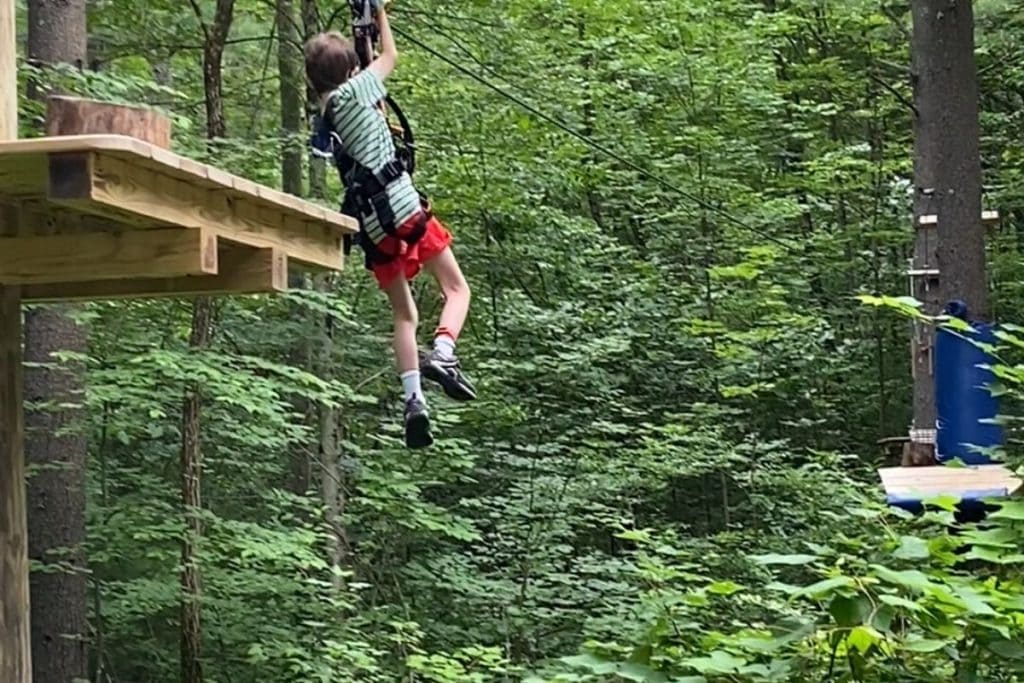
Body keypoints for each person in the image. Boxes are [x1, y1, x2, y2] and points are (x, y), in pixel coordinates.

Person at [305, 2, 476, 449]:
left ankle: (414, 400)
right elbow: (390, 58)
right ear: (348, 72)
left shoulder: (326, 113)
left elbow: (362, 75)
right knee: (457, 290)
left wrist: (359, 44)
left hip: (373, 228)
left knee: (404, 315)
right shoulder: (357, 91)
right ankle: (442, 355)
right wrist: (380, 14)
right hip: (404, 209)